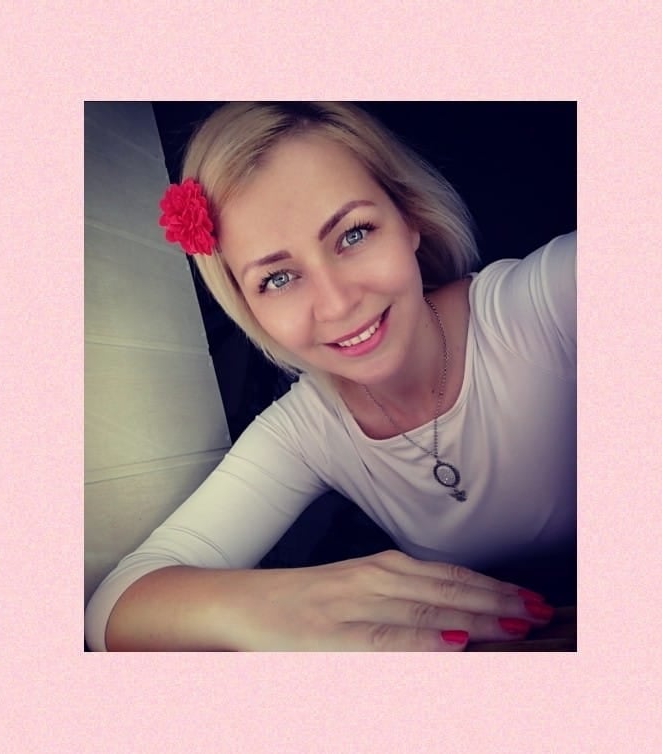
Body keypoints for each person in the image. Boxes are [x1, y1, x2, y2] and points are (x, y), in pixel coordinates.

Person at [84, 102, 576, 652]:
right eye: (278, 278)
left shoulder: (545, 305)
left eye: (354, 234)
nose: (338, 303)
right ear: (248, 307)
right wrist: (279, 601)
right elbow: (111, 612)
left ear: (410, 219)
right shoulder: (306, 429)